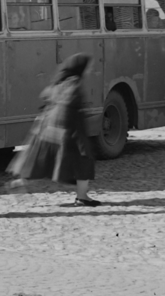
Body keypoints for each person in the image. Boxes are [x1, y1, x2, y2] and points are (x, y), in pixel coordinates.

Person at [11, 53, 100, 206]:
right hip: (67, 130)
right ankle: (82, 196)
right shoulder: (74, 84)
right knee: (84, 160)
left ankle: (20, 183)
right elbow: (68, 111)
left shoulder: (59, 83)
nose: (90, 70)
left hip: (47, 129)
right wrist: (77, 136)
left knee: (42, 162)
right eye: (88, 67)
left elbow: (48, 101)